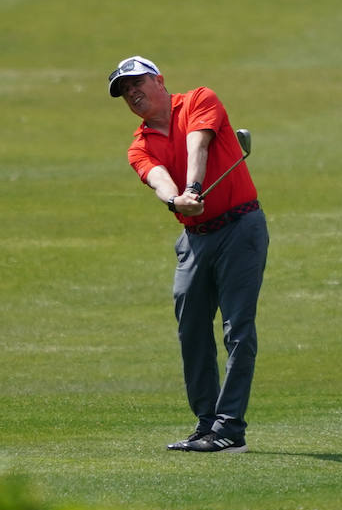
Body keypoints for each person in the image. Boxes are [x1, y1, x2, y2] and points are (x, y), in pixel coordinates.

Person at [108, 55, 269, 454]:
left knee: (237, 328)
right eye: (125, 91)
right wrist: (176, 200)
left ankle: (230, 428)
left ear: (159, 80)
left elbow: (199, 141)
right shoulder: (139, 145)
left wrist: (193, 189)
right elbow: (156, 177)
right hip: (195, 237)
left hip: (240, 227)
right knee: (191, 329)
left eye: (137, 83)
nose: (132, 93)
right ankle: (206, 423)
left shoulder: (199, 99)